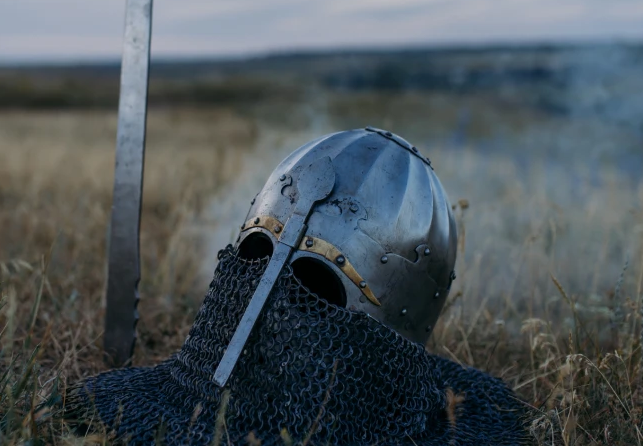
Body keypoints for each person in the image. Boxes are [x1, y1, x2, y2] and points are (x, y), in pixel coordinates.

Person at [66, 127, 528, 445]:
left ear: (395, 326)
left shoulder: (431, 425)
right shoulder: (151, 401)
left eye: (317, 284)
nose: (272, 303)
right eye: (257, 256)